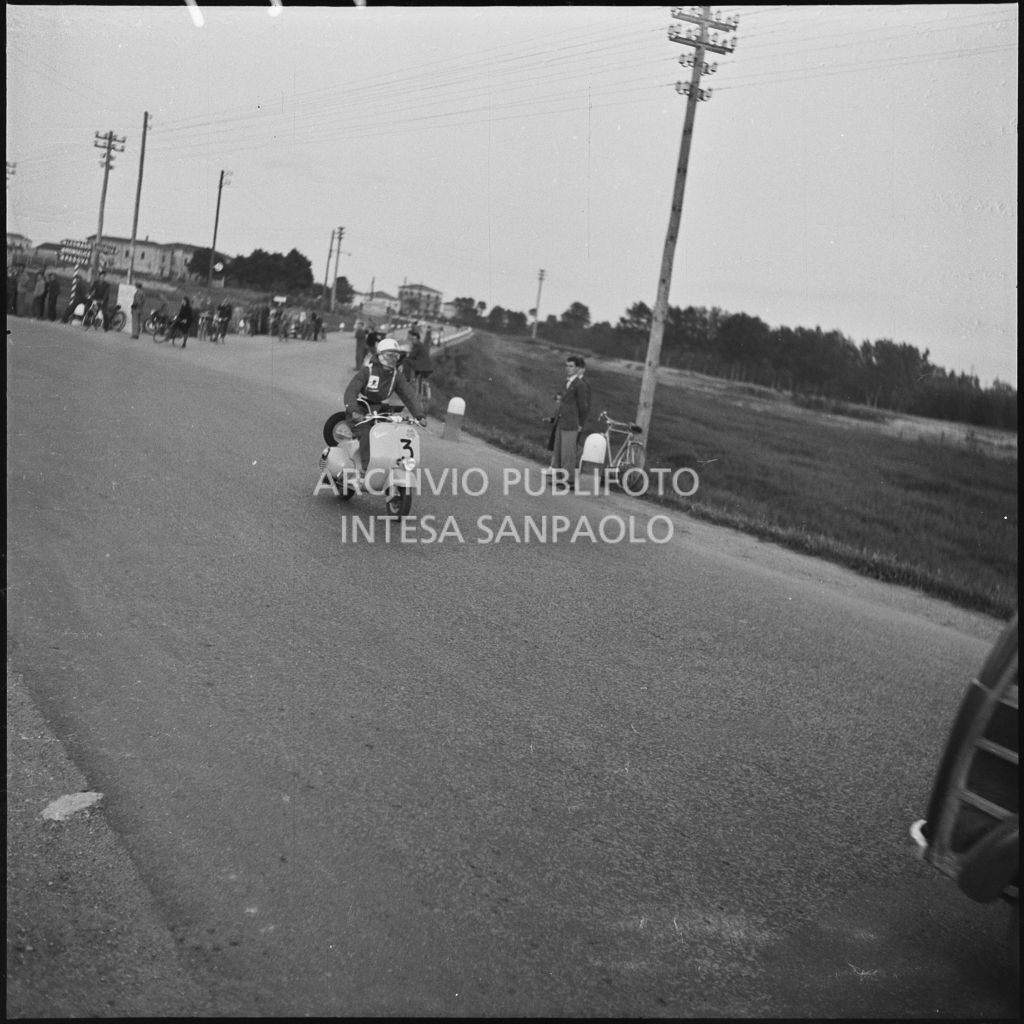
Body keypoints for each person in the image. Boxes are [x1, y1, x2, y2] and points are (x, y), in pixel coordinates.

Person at [343, 337, 427, 473]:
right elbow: (351, 391)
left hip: (379, 410)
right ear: (380, 355)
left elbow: (409, 394)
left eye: (396, 356)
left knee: (390, 434)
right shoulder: (367, 371)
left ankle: (390, 465)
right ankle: (367, 468)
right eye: (389, 355)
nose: (393, 359)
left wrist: (419, 415)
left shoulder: (396, 376)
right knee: (366, 433)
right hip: (361, 409)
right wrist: (353, 411)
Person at [545, 355, 591, 475]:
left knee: (567, 453)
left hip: (571, 423)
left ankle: (568, 479)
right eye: (566, 366)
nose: (568, 368)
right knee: (558, 451)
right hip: (561, 421)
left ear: (577, 368)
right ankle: (558, 475)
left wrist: (580, 423)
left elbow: (583, 407)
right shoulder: (568, 382)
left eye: (571, 366)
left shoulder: (580, 384)